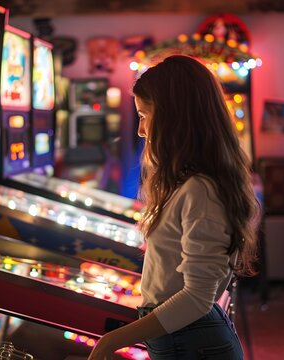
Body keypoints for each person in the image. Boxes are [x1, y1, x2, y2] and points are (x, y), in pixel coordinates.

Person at [87, 55, 260, 360]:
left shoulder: (201, 190)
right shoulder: (187, 182)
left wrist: (111, 341)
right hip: (184, 336)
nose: (141, 130)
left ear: (173, 117)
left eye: (144, 115)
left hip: (191, 341)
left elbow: (196, 298)